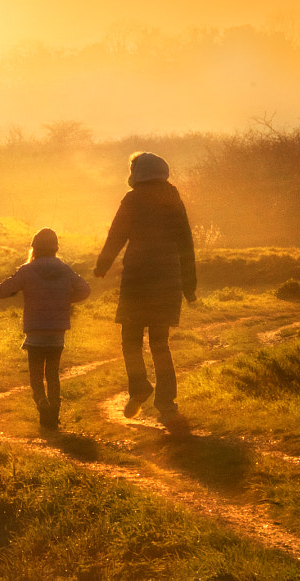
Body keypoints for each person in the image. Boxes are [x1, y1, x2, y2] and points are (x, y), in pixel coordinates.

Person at [94, 151, 197, 431]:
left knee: (130, 341)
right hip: (167, 281)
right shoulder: (172, 197)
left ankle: (139, 386)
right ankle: (167, 403)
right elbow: (186, 243)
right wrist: (190, 287)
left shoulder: (133, 198)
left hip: (137, 280)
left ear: (137, 172)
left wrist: (103, 264)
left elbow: (117, 233)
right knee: (160, 344)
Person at [0, 228, 90, 430]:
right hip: (57, 334)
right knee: (53, 374)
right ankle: (53, 414)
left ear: (34, 247)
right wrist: (63, 300)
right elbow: (85, 289)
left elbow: (2, 291)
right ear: (56, 248)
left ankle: (43, 406)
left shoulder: (27, 271)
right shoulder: (65, 269)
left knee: (36, 377)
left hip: (35, 333)